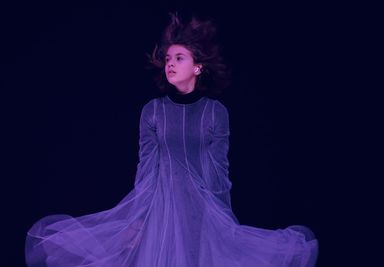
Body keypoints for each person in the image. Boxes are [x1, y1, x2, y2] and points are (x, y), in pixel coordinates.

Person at [25, 12, 318, 267]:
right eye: (168, 59)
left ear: (198, 67)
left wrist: (224, 220)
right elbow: (146, 167)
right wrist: (137, 218)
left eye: (179, 58)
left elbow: (219, 169)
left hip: (200, 213)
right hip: (160, 210)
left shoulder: (215, 112)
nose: (170, 64)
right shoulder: (153, 111)